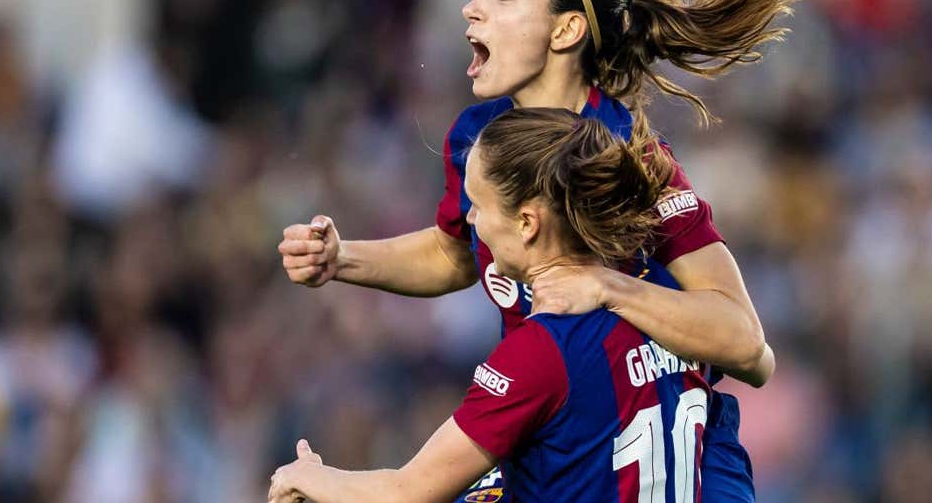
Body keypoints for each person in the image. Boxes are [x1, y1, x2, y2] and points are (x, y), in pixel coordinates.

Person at [277, 0, 825, 500]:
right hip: (554, 430)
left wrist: (605, 286)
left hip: (661, 446)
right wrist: (344, 259)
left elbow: (748, 348)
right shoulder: (478, 140)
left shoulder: (632, 160)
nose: (472, 7)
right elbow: (454, 252)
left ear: (566, 30)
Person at [270, 108, 740, 502]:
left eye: (478, 205)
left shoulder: (538, 352)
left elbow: (407, 492)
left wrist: (309, 477)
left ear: (527, 223)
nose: (470, 219)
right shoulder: (672, 315)